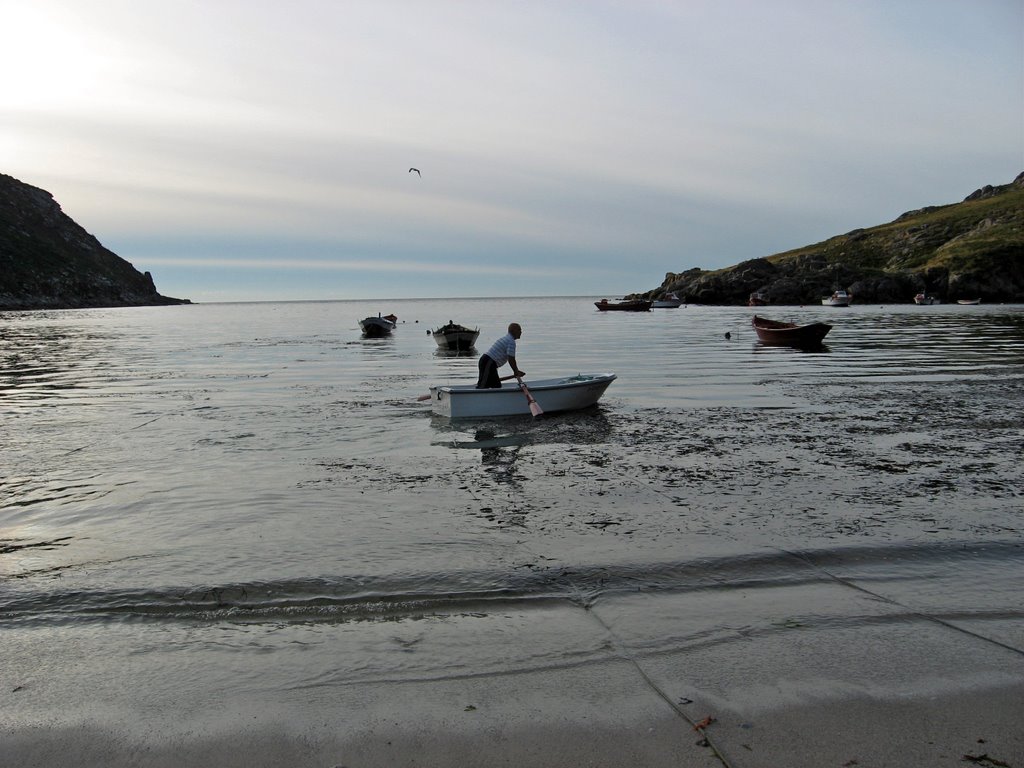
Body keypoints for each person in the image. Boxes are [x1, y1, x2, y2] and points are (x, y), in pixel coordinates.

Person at [476, 323, 524, 388]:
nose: (521, 332)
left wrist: (516, 371)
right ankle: (479, 395)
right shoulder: (511, 341)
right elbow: (511, 359)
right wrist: (516, 371)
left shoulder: (508, 339)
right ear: (513, 330)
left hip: (489, 363)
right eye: (519, 330)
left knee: (496, 385)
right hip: (488, 362)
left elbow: (511, 359)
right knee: (483, 386)